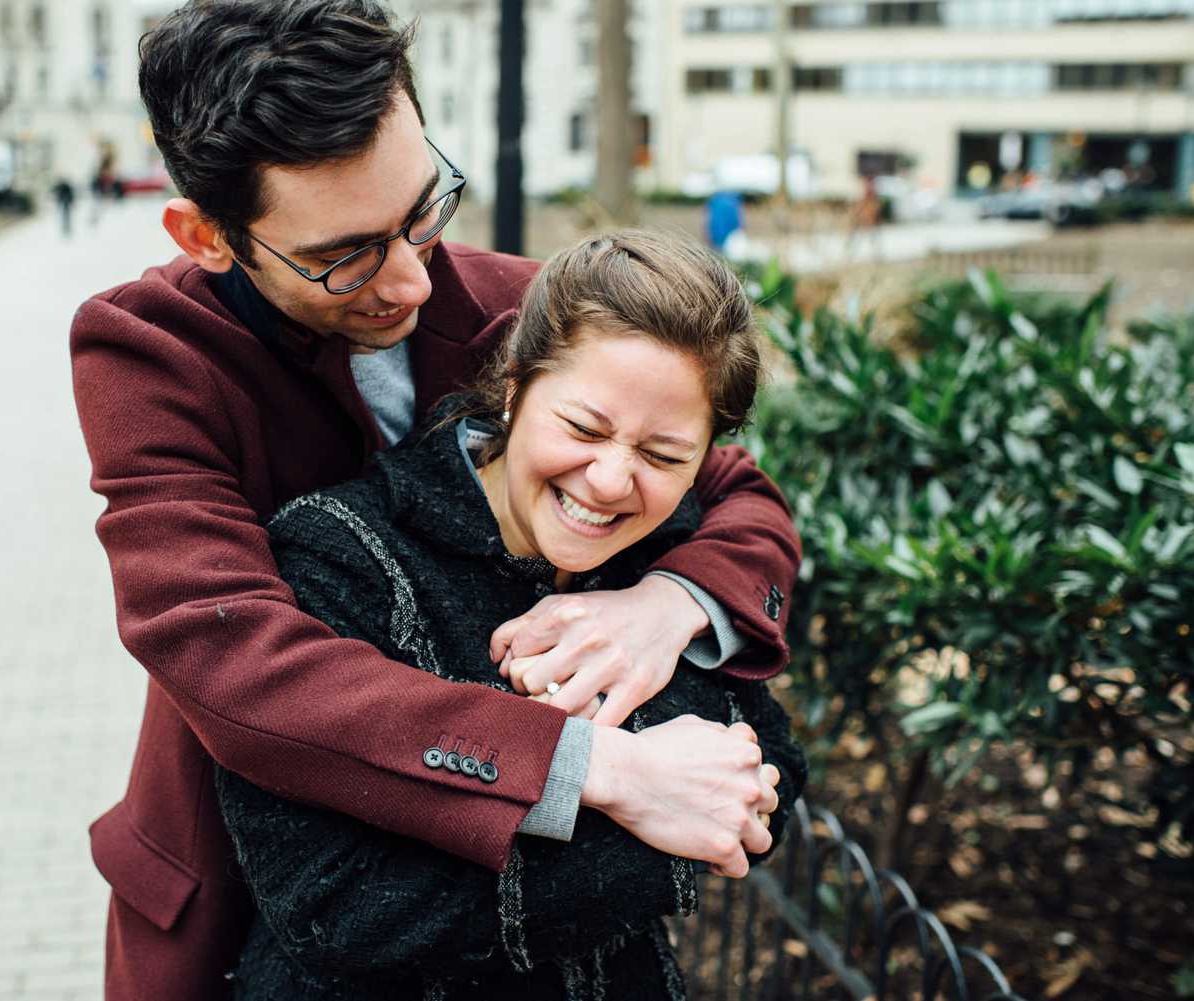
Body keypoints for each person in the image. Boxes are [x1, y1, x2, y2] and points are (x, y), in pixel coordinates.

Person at [69, 2, 801, 998]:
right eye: (347, 254)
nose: (413, 278)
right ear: (206, 235)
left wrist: (665, 602)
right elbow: (229, 653)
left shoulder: (525, 309)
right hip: (250, 877)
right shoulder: (146, 355)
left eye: (426, 208)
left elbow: (738, 494)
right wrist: (598, 767)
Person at [220, 230, 807, 1000]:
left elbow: (767, 771)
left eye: (664, 456)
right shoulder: (338, 553)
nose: (608, 480)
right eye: (584, 428)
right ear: (513, 386)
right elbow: (336, 908)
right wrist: (654, 818)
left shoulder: (673, 548)